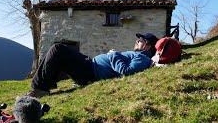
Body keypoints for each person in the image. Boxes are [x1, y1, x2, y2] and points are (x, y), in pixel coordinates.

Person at [27, 33, 158, 98]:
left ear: (148, 46)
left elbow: (126, 72)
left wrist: (114, 54)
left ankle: (39, 89)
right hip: (90, 65)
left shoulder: (142, 58)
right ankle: (43, 85)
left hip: (91, 72)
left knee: (57, 49)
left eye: (140, 40)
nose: (136, 41)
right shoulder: (137, 55)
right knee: (57, 54)